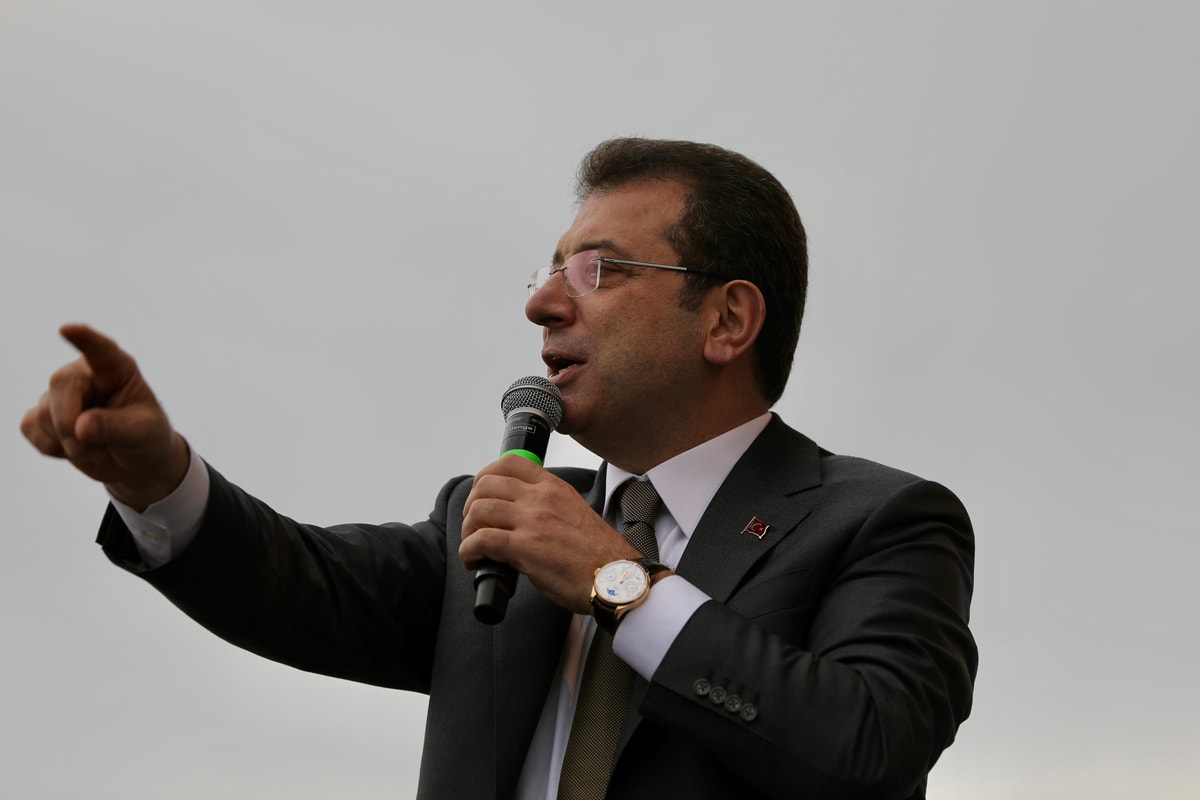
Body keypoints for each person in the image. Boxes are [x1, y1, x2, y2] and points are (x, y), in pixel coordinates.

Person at [21, 138, 977, 799]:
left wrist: (620, 586)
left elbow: (867, 748)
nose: (543, 305)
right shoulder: (499, 525)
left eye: (597, 271)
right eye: (546, 272)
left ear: (728, 320)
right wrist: (156, 479)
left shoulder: (881, 522)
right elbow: (299, 586)